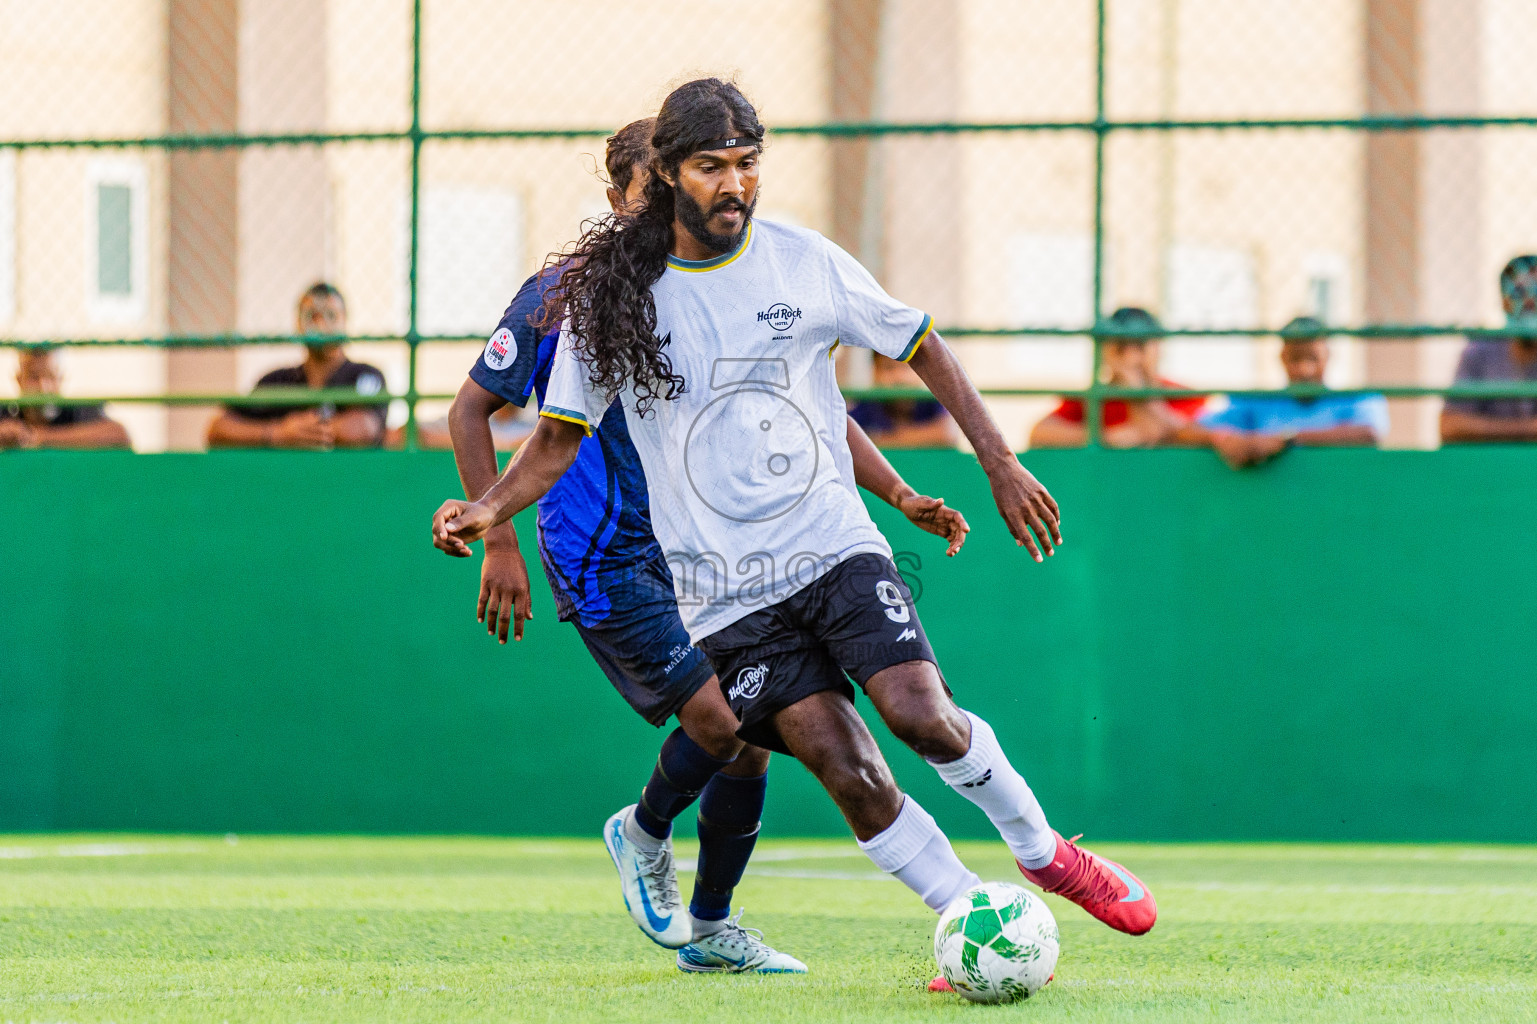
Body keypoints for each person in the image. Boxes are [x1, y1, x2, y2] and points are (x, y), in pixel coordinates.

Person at [432, 80, 1157, 970]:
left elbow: (920, 344)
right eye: (710, 167)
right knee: (846, 770)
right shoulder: (605, 306)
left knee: (922, 717)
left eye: (747, 164)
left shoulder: (801, 260)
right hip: (719, 594)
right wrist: (487, 513)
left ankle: (1046, 858)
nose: (734, 185)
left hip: (832, 547)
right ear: (664, 174)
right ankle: (978, 924)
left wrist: (997, 464)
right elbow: (550, 444)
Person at [439, 117, 970, 975]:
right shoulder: (561, 294)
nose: (686, 203)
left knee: (751, 731)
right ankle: (643, 828)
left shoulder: (722, 278)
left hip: (710, 547)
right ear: (621, 200)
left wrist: (899, 492)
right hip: (606, 549)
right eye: (658, 188)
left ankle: (712, 927)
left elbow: (807, 412)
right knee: (722, 720)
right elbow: (472, 410)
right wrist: (498, 538)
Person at [206, 283, 387, 449]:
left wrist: (303, 432)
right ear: (298, 323)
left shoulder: (365, 375)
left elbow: (365, 429)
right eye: (312, 316)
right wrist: (277, 433)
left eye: (331, 315)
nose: (321, 325)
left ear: (344, 321)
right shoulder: (277, 380)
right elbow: (218, 429)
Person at [1202, 316, 1388, 469]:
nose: (1304, 370)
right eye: (1295, 359)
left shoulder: (1355, 399)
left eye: (1313, 358)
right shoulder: (1259, 402)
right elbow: (1194, 428)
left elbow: (1369, 433)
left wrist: (1285, 439)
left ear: (1329, 356)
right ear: (1282, 358)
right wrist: (1226, 439)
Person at [1028, 306, 1205, 449]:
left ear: (1158, 347)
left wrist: (1137, 389)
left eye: (1140, 345)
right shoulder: (1096, 398)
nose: (1130, 355)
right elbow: (1039, 433)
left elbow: (1167, 432)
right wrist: (1106, 437)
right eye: (1121, 346)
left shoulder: (1182, 395)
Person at [1440, 255, 1537, 444]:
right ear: (1504, 301)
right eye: (1519, 293)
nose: (1529, 303)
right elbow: (1450, 426)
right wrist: (1527, 429)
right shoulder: (1481, 351)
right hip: (1491, 467)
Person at [0, 346, 131, 450]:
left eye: (50, 377)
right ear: (18, 379)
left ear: (61, 379)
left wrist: (39, 437)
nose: (43, 387)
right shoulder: (6, 412)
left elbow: (119, 434)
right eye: (34, 377)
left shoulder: (76, 409)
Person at [846, 353, 958, 448]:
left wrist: (884, 439)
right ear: (874, 371)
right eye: (888, 368)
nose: (899, 377)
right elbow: (847, 437)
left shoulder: (929, 399)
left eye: (907, 368)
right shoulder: (868, 404)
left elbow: (948, 433)